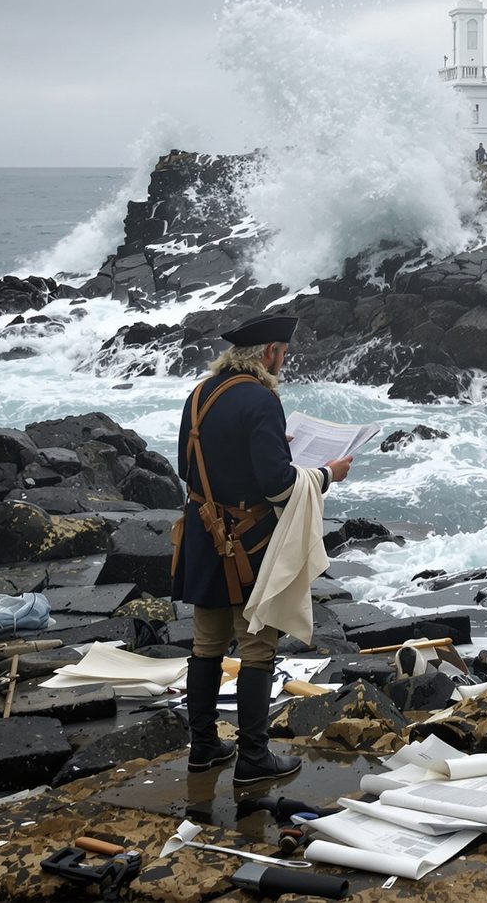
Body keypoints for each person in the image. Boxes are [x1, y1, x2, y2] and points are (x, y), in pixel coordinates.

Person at [173, 312, 352, 783]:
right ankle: (253, 757)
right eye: (283, 353)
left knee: (206, 644)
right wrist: (327, 474)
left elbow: (185, 465)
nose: (284, 361)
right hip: (246, 541)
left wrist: (271, 445)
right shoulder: (262, 400)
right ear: (269, 352)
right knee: (256, 645)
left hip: (201, 535)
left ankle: (204, 747)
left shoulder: (200, 394)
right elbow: (277, 486)